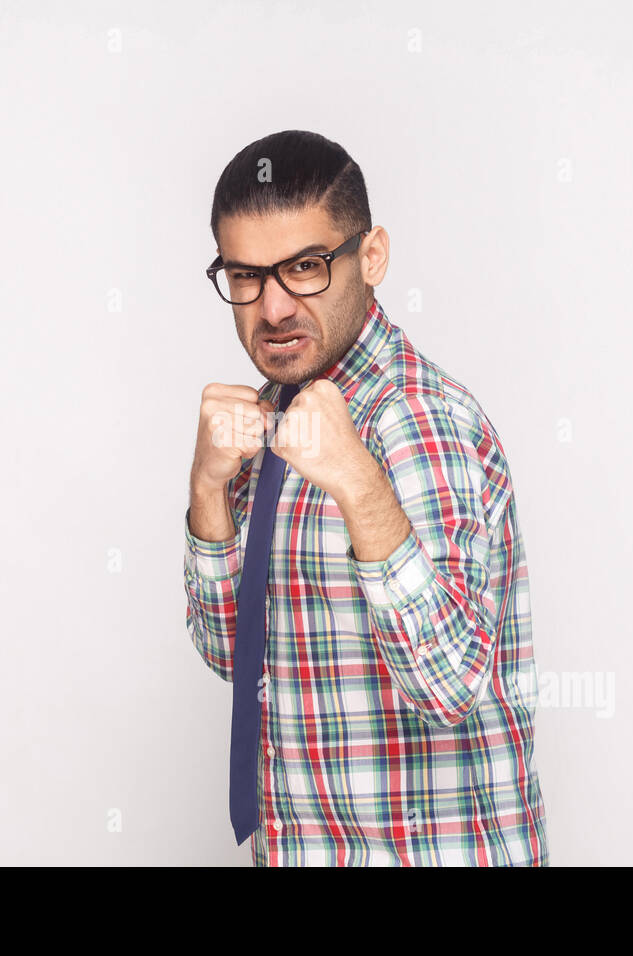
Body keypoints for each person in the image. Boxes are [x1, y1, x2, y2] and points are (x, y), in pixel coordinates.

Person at [183, 129, 548, 866]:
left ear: (371, 257)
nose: (274, 306)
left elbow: (450, 684)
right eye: (247, 276)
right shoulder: (276, 418)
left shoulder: (417, 419)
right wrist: (208, 490)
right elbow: (235, 655)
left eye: (306, 267)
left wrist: (356, 480)